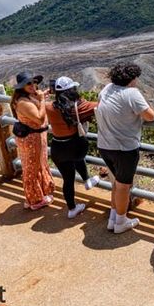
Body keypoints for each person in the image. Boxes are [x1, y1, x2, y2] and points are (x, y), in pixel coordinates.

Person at [95, 63, 154, 234]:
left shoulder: (107, 89)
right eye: (136, 78)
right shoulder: (131, 93)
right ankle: (121, 221)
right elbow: (150, 116)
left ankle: (113, 217)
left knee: (116, 183)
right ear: (131, 79)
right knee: (123, 186)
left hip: (105, 145)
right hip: (124, 148)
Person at [45, 76, 100, 219]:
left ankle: (72, 209)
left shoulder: (49, 107)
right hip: (76, 147)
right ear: (72, 90)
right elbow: (101, 105)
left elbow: (43, 104)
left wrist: (44, 95)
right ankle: (87, 180)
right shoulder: (79, 106)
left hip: (57, 147)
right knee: (78, 158)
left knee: (67, 180)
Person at [10, 71, 55, 210]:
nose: (32, 85)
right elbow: (39, 118)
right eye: (28, 83)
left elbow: (35, 101)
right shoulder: (23, 102)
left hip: (36, 137)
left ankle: (39, 194)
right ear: (21, 87)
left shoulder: (27, 97)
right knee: (32, 168)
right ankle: (34, 200)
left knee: (38, 165)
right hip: (31, 139)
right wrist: (42, 100)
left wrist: (43, 94)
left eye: (34, 82)